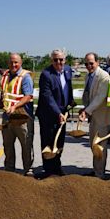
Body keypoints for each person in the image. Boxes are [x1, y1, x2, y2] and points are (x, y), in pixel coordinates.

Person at [36, 49, 74, 177]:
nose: (59, 62)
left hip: (62, 112)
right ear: (51, 60)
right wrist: (58, 112)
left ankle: (57, 166)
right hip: (48, 114)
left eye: (61, 59)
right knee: (48, 142)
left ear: (65, 60)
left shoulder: (68, 70)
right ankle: (48, 170)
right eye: (55, 60)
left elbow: (69, 87)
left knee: (60, 141)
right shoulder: (46, 74)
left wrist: (71, 102)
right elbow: (47, 96)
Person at [0, 53, 34, 176]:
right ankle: (9, 170)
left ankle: (28, 170)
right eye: (11, 62)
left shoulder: (25, 77)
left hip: (22, 117)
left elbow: (28, 96)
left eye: (16, 62)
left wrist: (14, 106)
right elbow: (4, 93)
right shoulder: (5, 75)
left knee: (26, 144)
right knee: (7, 145)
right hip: (7, 116)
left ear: (20, 63)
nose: (13, 65)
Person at [78, 52, 110, 179]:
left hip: (102, 118)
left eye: (91, 63)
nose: (89, 66)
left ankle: (100, 174)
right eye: (86, 63)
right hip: (93, 116)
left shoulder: (104, 76)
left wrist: (87, 111)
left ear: (97, 62)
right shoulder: (88, 76)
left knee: (100, 146)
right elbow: (87, 95)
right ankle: (96, 170)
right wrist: (84, 109)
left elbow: (100, 98)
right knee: (93, 144)